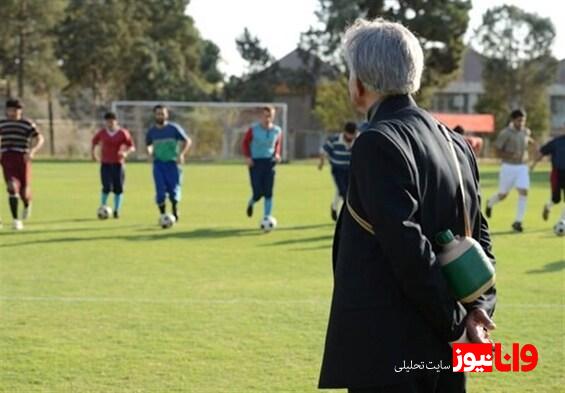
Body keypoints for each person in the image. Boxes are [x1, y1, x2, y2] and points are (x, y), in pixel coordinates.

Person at [318, 19, 497, 393]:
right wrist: (477, 309)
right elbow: (478, 236)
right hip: (447, 349)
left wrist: (455, 321)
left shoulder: (377, 142)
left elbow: (408, 250)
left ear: (360, 82)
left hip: (391, 349)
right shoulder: (456, 144)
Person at [485, 109, 536, 232]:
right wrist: (509, 155)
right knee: (503, 195)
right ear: (513, 120)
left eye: (523, 120)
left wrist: (533, 145)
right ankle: (490, 203)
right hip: (508, 167)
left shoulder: (526, 131)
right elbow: (496, 151)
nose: (521, 123)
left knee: (524, 191)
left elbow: (528, 140)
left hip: (522, 167)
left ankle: (518, 222)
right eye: (519, 120)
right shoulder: (505, 133)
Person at [0, 98, 44, 230]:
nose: (14, 113)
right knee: (12, 187)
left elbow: (39, 138)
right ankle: (16, 220)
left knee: (24, 191)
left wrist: (33, 151)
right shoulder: (2, 123)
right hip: (7, 157)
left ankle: (27, 203)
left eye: (17, 110)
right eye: (11, 110)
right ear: (7, 111)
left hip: (22, 158)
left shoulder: (27, 124)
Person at [146, 105, 191, 223]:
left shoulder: (174, 129)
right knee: (160, 191)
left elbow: (187, 141)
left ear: (167, 115)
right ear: (154, 115)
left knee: (174, 191)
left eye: (162, 113)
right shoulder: (152, 131)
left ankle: (175, 209)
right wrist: (150, 152)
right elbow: (149, 144)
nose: (160, 116)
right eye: (158, 113)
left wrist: (181, 154)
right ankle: (163, 215)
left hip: (172, 164)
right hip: (158, 164)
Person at [241, 106, 282, 221]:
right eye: (265, 116)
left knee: (269, 192)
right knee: (258, 192)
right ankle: (251, 202)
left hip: (270, 162)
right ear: (261, 116)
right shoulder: (253, 129)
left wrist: (277, 154)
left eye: (270, 116)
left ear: (273, 117)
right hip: (255, 163)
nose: (267, 118)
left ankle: (267, 217)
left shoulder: (277, 130)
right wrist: (248, 157)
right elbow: (245, 143)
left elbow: (277, 144)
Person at [91, 112, 135, 218]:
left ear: (116, 121)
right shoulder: (102, 133)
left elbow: (132, 146)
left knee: (118, 188)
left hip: (118, 164)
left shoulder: (123, 133)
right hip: (105, 163)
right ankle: (103, 206)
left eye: (112, 121)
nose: (110, 124)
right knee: (106, 186)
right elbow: (94, 142)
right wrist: (93, 155)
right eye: (107, 122)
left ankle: (116, 210)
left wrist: (125, 153)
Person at [318, 121, 359, 221]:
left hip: (351, 169)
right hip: (338, 169)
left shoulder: (358, 139)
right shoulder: (335, 140)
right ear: (345, 132)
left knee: (346, 190)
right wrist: (321, 163)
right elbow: (324, 150)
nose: (351, 137)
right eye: (349, 134)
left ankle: (334, 207)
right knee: (344, 192)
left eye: (353, 135)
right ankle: (347, 216)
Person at [531, 133, 565, 222]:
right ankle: (548, 206)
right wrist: (533, 165)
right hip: (557, 173)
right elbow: (542, 152)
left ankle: (562, 221)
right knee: (556, 199)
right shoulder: (556, 142)